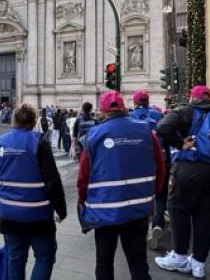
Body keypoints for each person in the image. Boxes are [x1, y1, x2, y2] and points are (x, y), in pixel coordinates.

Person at [77, 91, 166, 280]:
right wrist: (150, 195)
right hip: (138, 209)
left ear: (102, 110)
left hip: (104, 210)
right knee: (138, 264)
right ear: (124, 107)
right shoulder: (146, 131)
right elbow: (160, 168)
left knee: (104, 263)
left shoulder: (93, 135)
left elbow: (83, 177)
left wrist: (82, 201)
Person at [155, 85, 210, 278]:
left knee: (178, 208)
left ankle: (180, 256)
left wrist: (179, 143)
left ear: (193, 98)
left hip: (193, 168)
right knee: (205, 215)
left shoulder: (188, 111)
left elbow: (162, 127)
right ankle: (198, 264)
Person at [0, 104, 67, 280]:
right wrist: (61, 209)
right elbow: (52, 181)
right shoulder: (39, 142)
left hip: (10, 215)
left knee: (15, 259)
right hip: (38, 215)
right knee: (44, 257)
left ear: (13, 120)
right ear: (33, 122)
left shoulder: (0, 143)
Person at [129, 90, 168, 249]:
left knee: (139, 196)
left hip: (136, 165)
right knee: (160, 196)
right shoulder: (158, 115)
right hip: (158, 162)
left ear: (134, 102)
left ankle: (142, 228)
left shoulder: (130, 117)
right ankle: (157, 225)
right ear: (147, 100)